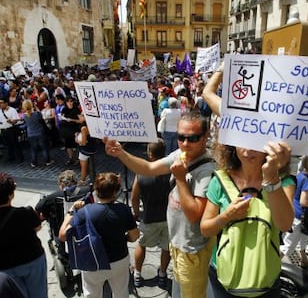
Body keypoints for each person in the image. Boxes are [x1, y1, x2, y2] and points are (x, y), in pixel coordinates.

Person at [104, 111, 216, 298]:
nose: (185, 143)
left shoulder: (206, 170)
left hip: (192, 250)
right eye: (181, 137)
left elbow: (195, 214)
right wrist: (121, 153)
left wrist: (180, 180)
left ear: (205, 137)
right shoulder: (180, 154)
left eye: (193, 138)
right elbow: (147, 168)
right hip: (177, 242)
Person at [200, 140, 293, 297]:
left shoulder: (283, 182)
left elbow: (284, 224)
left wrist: (271, 179)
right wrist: (226, 216)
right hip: (224, 275)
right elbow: (205, 229)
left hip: (266, 278)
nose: (249, 148)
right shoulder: (220, 180)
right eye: (242, 140)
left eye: (257, 142)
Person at [59, 172, 139, 298]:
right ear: (115, 192)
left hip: (93, 262)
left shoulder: (84, 212)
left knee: (92, 294)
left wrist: (70, 212)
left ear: (96, 190)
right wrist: (124, 238)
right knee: (121, 292)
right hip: (119, 259)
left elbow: (62, 235)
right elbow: (134, 236)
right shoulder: (124, 209)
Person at [0, 173, 47, 298]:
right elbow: (38, 227)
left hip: (5, 266)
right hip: (32, 260)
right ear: (11, 195)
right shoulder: (26, 212)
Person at [132, 138, 171, 288]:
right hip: (167, 218)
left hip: (148, 218)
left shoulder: (141, 173)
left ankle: (137, 274)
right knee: (166, 248)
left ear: (149, 154)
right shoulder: (171, 171)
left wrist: (136, 214)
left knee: (142, 245)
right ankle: (162, 275)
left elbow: (134, 198)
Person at [280, 156, 308, 267]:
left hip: (302, 217)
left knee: (303, 240)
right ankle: (272, 264)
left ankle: (304, 260)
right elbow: (304, 202)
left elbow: (302, 189)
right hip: (301, 218)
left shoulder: (301, 176)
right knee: (288, 245)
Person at [22, 99, 53, 168]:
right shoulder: (37, 114)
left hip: (31, 134)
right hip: (40, 133)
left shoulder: (24, 116)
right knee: (44, 148)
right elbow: (41, 119)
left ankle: (34, 163)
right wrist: (36, 107)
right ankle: (47, 161)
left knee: (33, 149)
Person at [0, 96, 24, 163]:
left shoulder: (12, 110)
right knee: (8, 145)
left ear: (6, 103)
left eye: (1, 103)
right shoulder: (0, 111)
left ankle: (19, 157)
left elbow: (16, 120)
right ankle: (11, 157)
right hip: (3, 130)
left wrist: (11, 121)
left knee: (15, 144)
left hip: (11, 129)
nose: (0, 104)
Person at [75, 116, 97, 185]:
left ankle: (82, 180)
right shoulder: (92, 125)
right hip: (92, 147)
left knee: (83, 166)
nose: (79, 117)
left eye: (81, 116)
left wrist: (76, 139)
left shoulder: (84, 128)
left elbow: (83, 143)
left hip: (85, 150)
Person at [59, 96, 82, 165]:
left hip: (74, 129)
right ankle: (71, 158)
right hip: (66, 129)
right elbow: (62, 116)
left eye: (71, 101)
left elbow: (80, 121)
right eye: (68, 101)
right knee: (68, 145)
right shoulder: (64, 109)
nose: (69, 103)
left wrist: (72, 120)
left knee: (77, 145)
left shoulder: (76, 109)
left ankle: (78, 159)